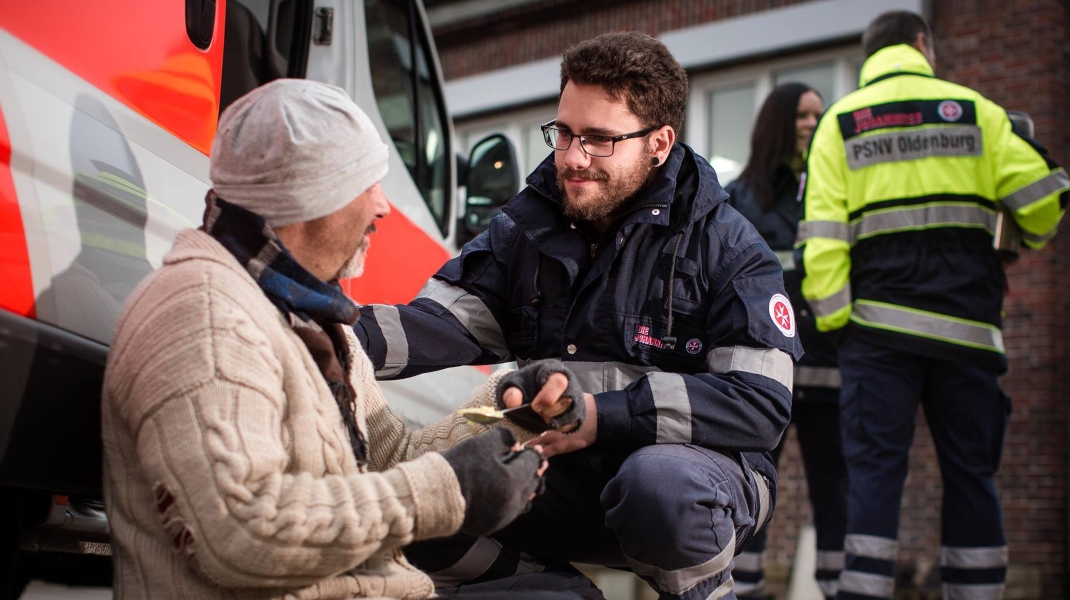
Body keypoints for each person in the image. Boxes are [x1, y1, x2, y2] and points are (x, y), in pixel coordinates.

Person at [354, 32, 802, 600]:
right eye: (564, 132)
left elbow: (760, 404)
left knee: (658, 491)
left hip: (691, 489)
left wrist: (604, 415)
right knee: (431, 501)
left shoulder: (730, 250)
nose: (571, 157)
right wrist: (319, 337)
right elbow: (432, 325)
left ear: (660, 143)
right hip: (561, 473)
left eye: (598, 139)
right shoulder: (524, 232)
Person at [100, 78, 589, 600]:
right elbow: (239, 534)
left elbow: (389, 456)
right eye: (366, 184)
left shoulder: (313, 318)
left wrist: (512, 410)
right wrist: (447, 489)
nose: (382, 207)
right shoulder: (204, 318)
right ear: (312, 195)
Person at [798, 11, 1070, 600]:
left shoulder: (840, 123)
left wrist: (839, 322)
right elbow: (1047, 201)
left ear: (870, 53)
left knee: (873, 477)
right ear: (923, 45)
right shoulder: (978, 112)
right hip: (968, 334)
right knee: (973, 476)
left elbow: (820, 242)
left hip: (876, 335)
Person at [725, 83, 847, 600]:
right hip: (763, 372)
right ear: (778, 122)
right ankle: (743, 585)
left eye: (819, 114)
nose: (812, 123)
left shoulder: (833, 185)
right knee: (754, 481)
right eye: (803, 115)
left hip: (828, 368)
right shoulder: (740, 198)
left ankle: (837, 586)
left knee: (835, 488)